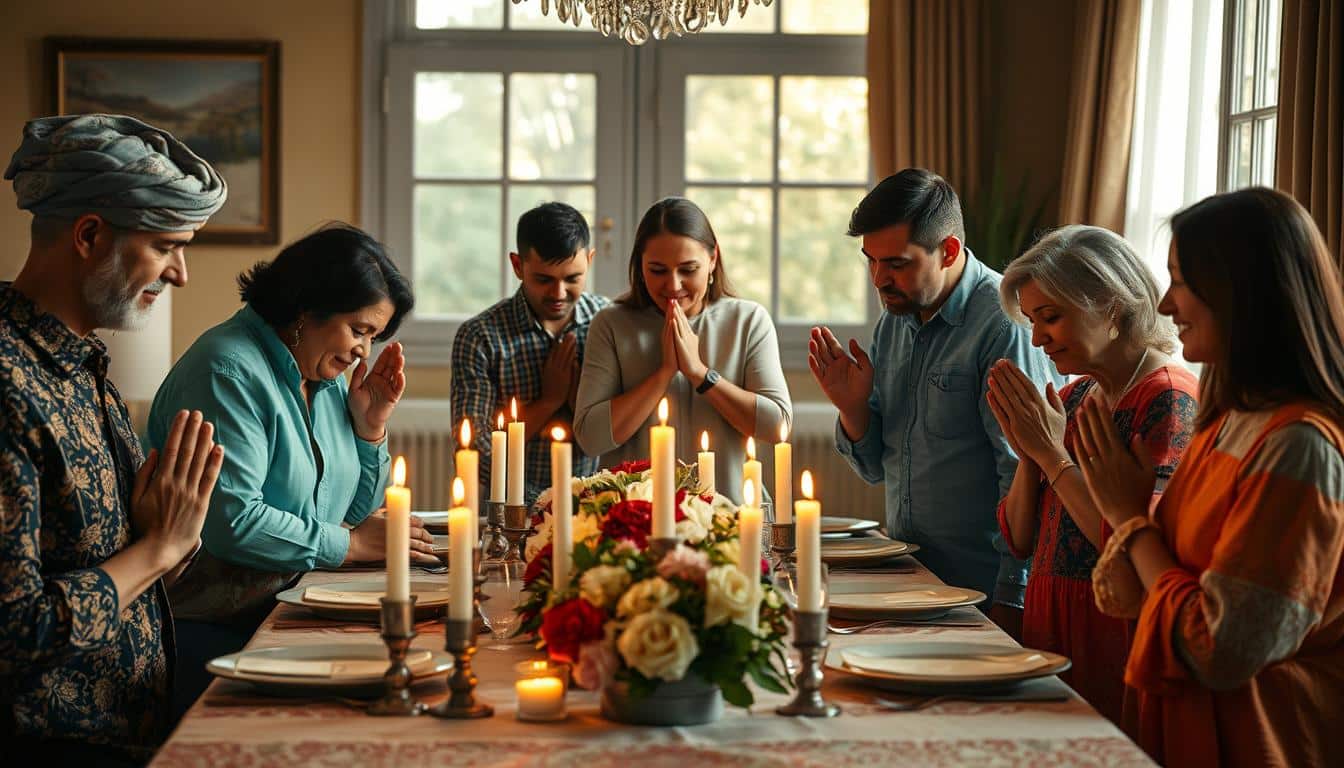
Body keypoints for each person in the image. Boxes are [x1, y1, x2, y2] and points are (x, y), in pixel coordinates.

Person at [1081, 187, 1344, 767]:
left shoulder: (1298, 446)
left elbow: (1220, 649)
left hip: (1260, 741)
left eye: (1179, 280)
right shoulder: (1224, 420)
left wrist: (1128, 518)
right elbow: (1138, 593)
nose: (1167, 305)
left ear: (1239, 290)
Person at [0, 114, 226, 763]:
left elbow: (117, 565)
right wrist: (157, 549)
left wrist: (168, 542)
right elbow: (17, 634)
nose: (179, 273)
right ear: (90, 235)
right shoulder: (8, 386)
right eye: (165, 246)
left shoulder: (84, 365)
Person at [148, 224, 434, 715]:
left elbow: (350, 511)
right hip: (212, 627)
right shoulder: (228, 370)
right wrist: (350, 544)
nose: (364, 350)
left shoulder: (319, 376)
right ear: (306, 308)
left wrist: (369, 430)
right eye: (359, 330)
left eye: (374, 336)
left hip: (286, 607)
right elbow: (233, 524)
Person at [809, 168, 1062, 633]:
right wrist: (853, 409)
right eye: (871, 261)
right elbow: (874, 469)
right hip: (911, 581)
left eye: (897, 264)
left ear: (947, 251)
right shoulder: (894, 320)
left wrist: (1013, 593)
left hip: (983, 594)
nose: (879, 279)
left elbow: (1027, 470)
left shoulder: (1005, 325)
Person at [987, 224, 1198, 723]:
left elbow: (1130, 543)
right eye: (1033, 321)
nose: (1036, 338)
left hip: (1111, 634)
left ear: (1110, 306)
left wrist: (1052, 457)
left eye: (1050, 318)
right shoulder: (1075, 396)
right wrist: (1032, 452)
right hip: (1049, 626)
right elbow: (1018, 538)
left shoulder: (1168, 397)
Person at [574, 197, 791, 502]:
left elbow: (777, 425)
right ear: (640, 266)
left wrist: (700, 374)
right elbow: (590, 437)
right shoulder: (611, 323)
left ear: (713, 258)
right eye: (658, 270)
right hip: (633, 525)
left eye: (688, 269)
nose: (673, 285)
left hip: (731, 521)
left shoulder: (748, 320)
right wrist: (663, 373)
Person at [452, 202, 610, 504]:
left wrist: (577, 403)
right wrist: (549, 401)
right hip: (513, 514)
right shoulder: (480, 337)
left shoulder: (608, 322)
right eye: (544, 279)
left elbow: (623, 430)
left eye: (572, 278)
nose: (558, 293)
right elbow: (473, 454)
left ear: (590, 261)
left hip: (595, 509)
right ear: (517, 265)